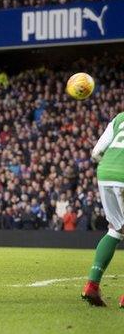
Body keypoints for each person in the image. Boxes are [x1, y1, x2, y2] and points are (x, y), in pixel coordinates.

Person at [81, 112, 124, 308]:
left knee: (115, 229)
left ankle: (92, 284)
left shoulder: (120, 118)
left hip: (105, 173)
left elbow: (96, 152)